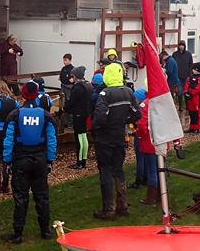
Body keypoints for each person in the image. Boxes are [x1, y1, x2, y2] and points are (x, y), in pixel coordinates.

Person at [1, 81, 58, 244]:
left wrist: (7, 160)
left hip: (21, 160)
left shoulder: (15, 114)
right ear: (37, 94)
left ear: (23, 95)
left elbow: (8, 140)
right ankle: (45, 231)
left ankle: (18, 234)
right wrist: (49, 159)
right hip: (40, 160)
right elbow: (52, 140)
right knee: (42, 197)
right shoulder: (46, 115)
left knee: (20, 198)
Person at [92, 62, 140, 220]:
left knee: (106, 170)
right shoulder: (128, 92)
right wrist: (124, 121)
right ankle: (123, 206)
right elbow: (136, 113)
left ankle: (109, 209)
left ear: (107, 76)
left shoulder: (104, 94)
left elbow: (99, 118)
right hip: (120, 136)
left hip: (105, 138)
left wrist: (96, 127)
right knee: (118, 169)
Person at [134, 89, 160, 206]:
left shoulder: (146, 103)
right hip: (162, 141)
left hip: (150, 141)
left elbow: (142, 125)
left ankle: (151, 198)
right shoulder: (163, 101)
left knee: (152, 170)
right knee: (161, 169)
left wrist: (138, 135)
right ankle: (161, 195)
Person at [64, 66, 91, 170]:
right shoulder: (88, 84)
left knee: (79, 137)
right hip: (85, 113)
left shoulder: (78, 87)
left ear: (76, 76)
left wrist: (65, 108)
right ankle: (84, 159)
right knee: (84, 136)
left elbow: (72, 102)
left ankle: (80, 162)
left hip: (78, 114)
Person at [171, 40, 193, 112]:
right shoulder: (175, 54)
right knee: (180, 92)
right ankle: (180, 106)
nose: (181, 46)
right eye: (180, 45)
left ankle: (187, 106)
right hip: (178, 76)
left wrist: (189, 74)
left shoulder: (188, 54)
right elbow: (173, 65)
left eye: (182, 45)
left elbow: (191, 64)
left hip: (186, 76)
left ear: (184, 46)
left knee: (186, 91)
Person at [184, 64, 200, 134]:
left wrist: (191, 93)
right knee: (191, 113)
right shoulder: (191, 77)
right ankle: (192, 127)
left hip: (196, 98)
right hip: (190, 98)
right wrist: (186, 92)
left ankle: (197, 128)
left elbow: (198, 88)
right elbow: (187, 84)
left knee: (196, 114)